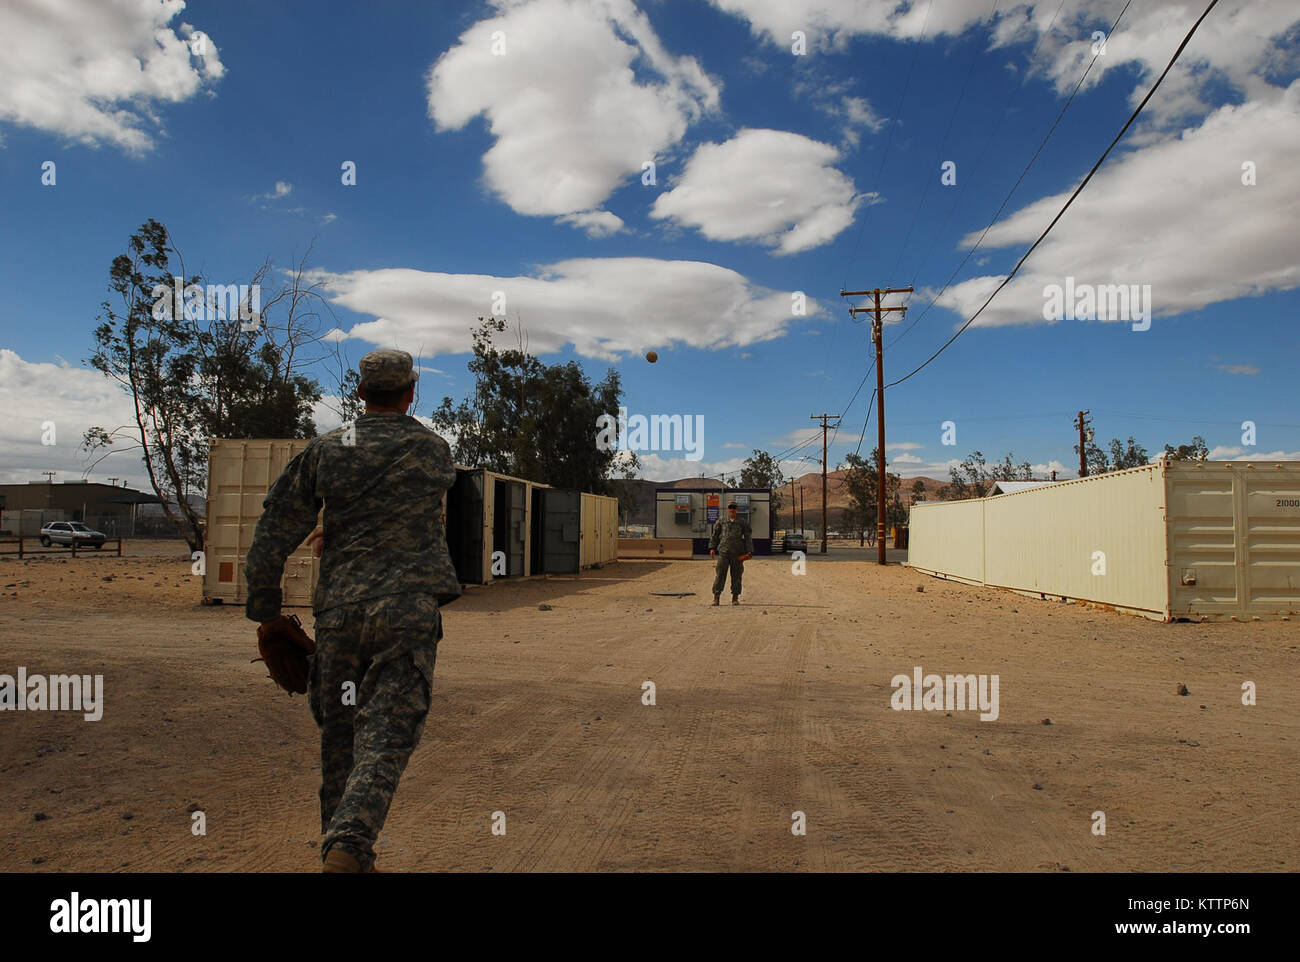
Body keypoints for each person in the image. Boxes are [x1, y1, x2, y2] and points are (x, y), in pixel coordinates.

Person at [243, 349, 461, 873]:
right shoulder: (432, 451)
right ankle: (349, 842)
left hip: (340, 614)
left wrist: (267, 612)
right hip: (405, 613)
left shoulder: (326, 451)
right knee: (386, 734)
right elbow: (406, 507)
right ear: (412, 392)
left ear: (359, 393)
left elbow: (272, 534)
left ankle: (341, 856)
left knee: (339, 740)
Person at [709, 501, 753, 606]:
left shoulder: (743, 522)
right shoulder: (722, 521)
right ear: (728, 509)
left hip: (737, 553)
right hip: (724, 552)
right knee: (720, 575)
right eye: (730, 507)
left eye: (734, 507)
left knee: (737, 576)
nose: (732, 509)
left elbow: (748, 537)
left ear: (737, 510)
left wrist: (749, 551)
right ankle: (716, 598)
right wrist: (712, 547)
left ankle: (735, 598)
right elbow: (715, 535)